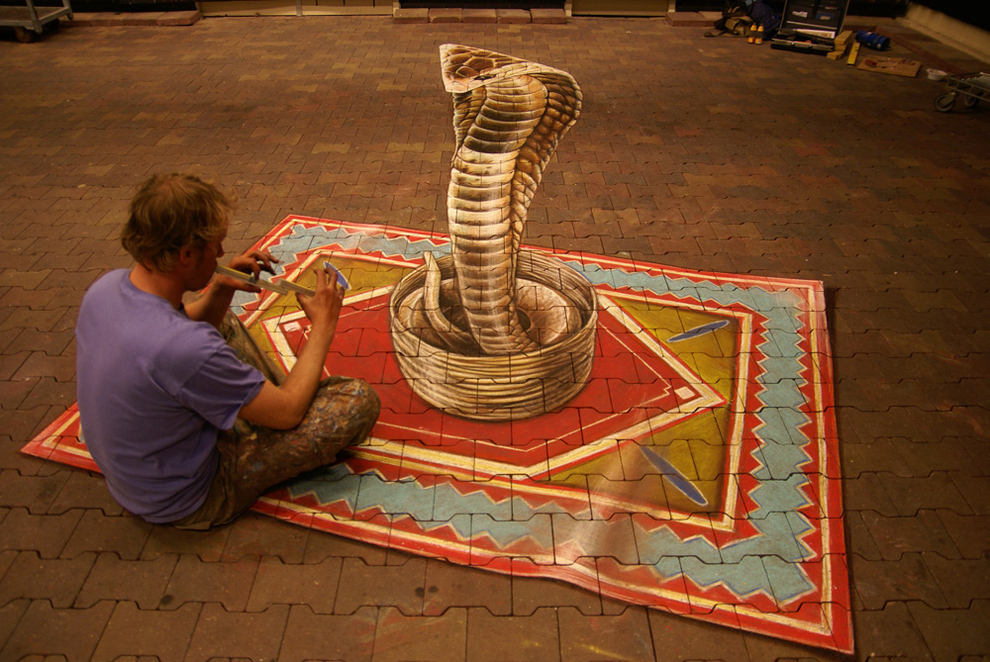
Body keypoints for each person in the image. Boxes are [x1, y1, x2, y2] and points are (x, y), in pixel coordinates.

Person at [75, 173, 380, 529]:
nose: (221, 253)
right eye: (214, 246)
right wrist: (324, 324)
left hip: (137, 477)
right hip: (189, 498)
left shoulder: (105, 288)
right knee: (357, 401)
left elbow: (178, 330)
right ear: (186, 255)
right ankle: (264, 400)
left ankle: (253, 397)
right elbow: (287, 415)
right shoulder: (184, 348)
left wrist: (219, 287)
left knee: (221, 325)